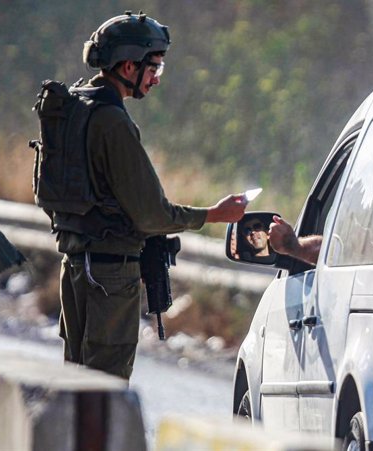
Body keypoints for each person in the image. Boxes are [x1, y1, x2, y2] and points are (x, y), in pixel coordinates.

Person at [57, 12, 246, 380]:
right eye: (154, 68)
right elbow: (152, 215)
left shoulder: (76, 109)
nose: (156, 80)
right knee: (104, 393)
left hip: (77, 268)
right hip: (108, 277)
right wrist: (213, 214)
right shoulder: (113, 121)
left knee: (74, 388)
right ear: (129, 65)